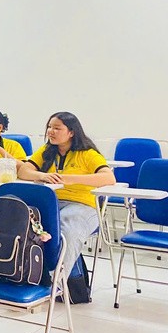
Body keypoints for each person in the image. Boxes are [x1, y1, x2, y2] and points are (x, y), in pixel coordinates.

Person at [18, 112, 114, 294]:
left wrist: (70, 179)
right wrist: (42, 175)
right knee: (22, 223)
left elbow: (109, 178)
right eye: (49, 127)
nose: (51, 131)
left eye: (57, 128)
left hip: (83, 205)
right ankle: (26, 275)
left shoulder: (87, 154)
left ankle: (56, 284)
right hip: (52, 203)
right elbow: (24, 171)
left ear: (71, 132)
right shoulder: (47, 151)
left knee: (65, 230)